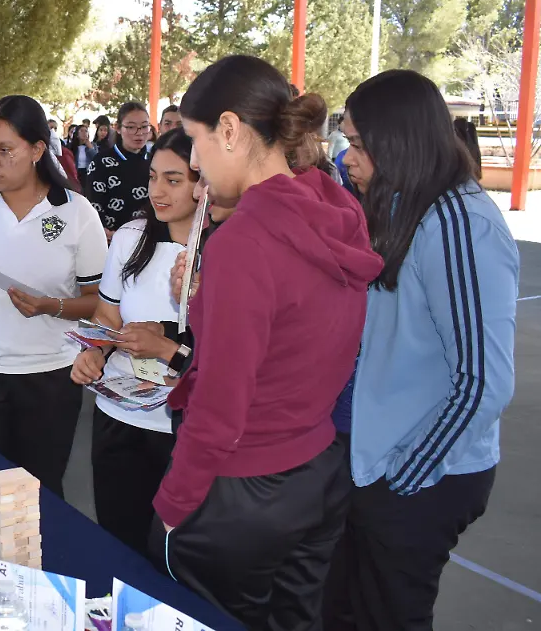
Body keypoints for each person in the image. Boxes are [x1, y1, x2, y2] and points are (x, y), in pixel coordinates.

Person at [148, 55, 384, 629]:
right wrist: (211, 301)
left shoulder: (245, 242)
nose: (197, 162)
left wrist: (174, 506)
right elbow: (297, 329)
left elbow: (223, 402)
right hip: (317, 469)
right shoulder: (336, 209)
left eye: (198, 142)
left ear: (230, 129)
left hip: (242, 486)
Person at [324, 70, 518, 631]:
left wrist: (404, 475)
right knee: (340, 610)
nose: (348, 158)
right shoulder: (398, 205)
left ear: (398, 141)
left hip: (420, 472)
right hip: (374, 462)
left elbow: (483, 380)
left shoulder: (459, 223)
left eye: (358, 145)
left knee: (389, 616)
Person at [0, 95, 108, 497]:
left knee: (40, 494)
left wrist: (51, 306)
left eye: (4, 150)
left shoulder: (76, 212)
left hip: (49, 377)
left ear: (36, 150)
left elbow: (99, 304)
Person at [70, 128, 200, 556]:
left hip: (181, 430)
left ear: (204, 181)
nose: (158, 191)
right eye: (153, 178)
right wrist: (94, 350)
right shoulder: (131, 237)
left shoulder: (227, 249)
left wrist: (167, 346)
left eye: (174, 179)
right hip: (118, 415)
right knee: (118, 542)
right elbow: (107, 316)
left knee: (171, 554)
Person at [86, 102, 154, 235]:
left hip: (149, 238)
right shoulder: (101, 161)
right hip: (112, 239)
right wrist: (103, 232)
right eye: (131, 127)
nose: (139, 133)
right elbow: (94, 205)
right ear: (118, 128)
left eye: (144, 127)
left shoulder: (155, 160)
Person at [69, 123, 98, 188]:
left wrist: (91, 148)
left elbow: (96, 159)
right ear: (77, 134)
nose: (84, 133)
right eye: (81, 131)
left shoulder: (93, 145)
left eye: (86, 131)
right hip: (75, 173)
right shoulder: (71, 146)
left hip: (87, 172)